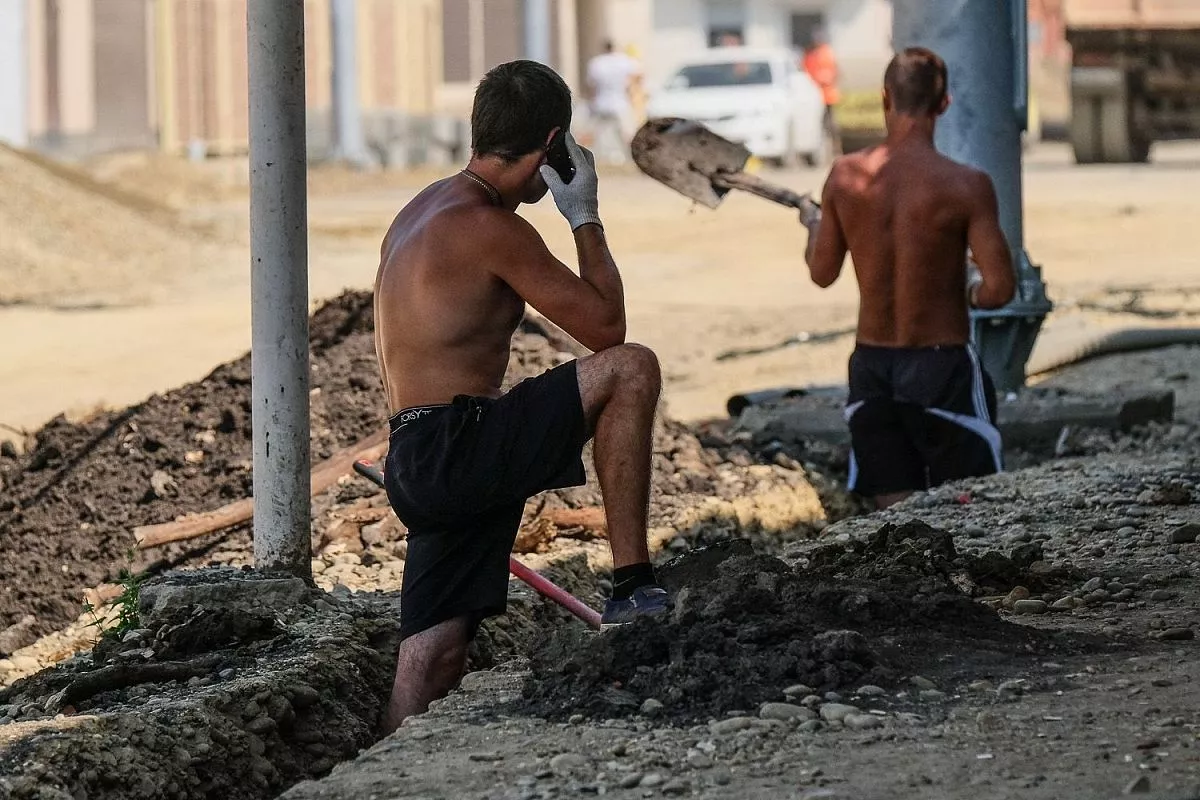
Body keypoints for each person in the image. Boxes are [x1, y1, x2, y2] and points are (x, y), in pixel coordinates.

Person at [372, 60, 669, 734]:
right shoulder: (491, 226)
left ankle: (374, 771)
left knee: (433, 655)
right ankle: (632, 585)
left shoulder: (417, 211)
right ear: (554, 145)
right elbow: (606, 328)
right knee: (630, 369)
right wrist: (585, 214)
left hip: (417, 452)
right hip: (457, 443)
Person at [797, 47, 1016, 509]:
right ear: (944, 105)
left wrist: (815, 224)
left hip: (873, 364)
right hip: (941, 366)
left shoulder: (845, 176)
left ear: (884, 98)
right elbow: (999, 291)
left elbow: (821, 273)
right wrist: (965, 287)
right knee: (969, 503)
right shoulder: (965, 184)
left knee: (893, 515)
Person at [586, 41, 641, 164]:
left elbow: (592, 86)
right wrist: (631, 92)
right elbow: (637, 76)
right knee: (626, 134)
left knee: (597, 134)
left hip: (601, 102)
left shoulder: (597, 62)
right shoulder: (624, 61)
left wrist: (591, 103)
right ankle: (632, 158)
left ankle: (593, 159)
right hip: (620, 102)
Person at [802, 28, 843, 156]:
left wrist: (826, 79)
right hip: (813, 96)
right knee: (816, 125)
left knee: (830, 125)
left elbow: (836, 72)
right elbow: (805, 72)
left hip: (828, 96)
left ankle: (835, 150)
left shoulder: (827, 52)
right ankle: (820, 152)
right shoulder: (809, 54)